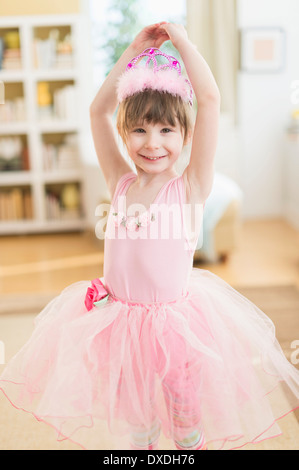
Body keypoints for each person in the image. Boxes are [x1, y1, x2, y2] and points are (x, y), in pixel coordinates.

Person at [1, 22, 299, 451]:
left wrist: (185, 44)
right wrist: (134, 50)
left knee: (184, 424)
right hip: (120, 331)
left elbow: (210, 100)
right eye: (139, 130)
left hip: (175, 333)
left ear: (186, 135)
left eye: (166, 131)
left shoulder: (189, 188)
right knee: (136, 428)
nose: (152, 143)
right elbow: (97, 111)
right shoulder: (119, 183)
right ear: (124, 134)